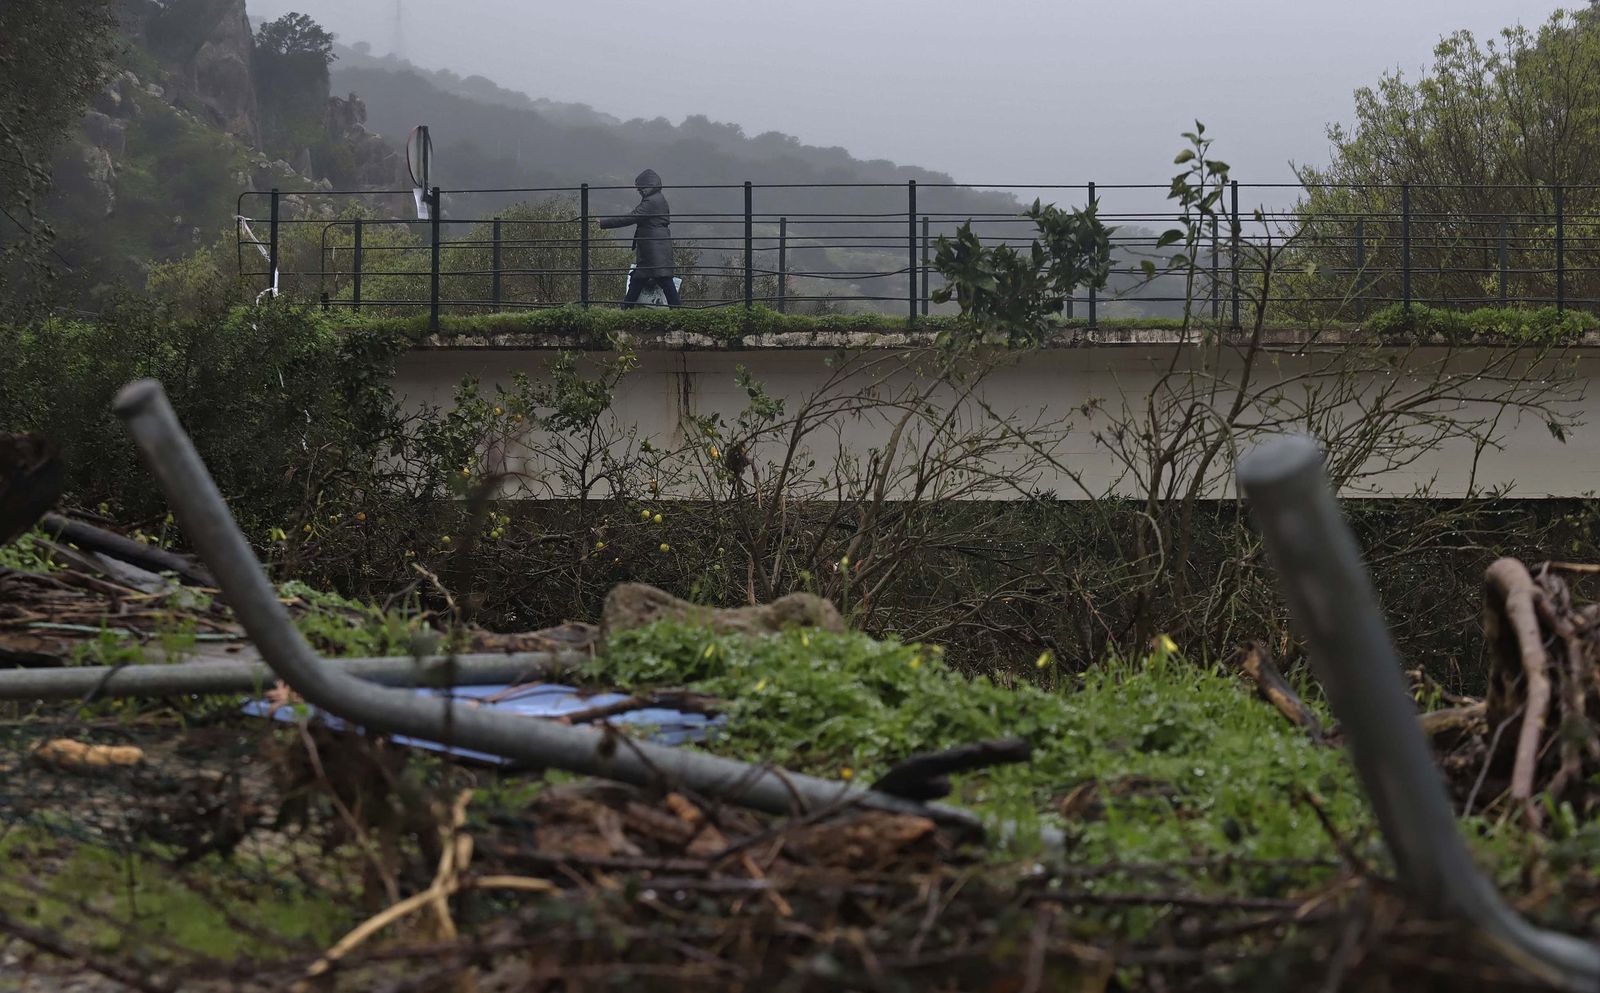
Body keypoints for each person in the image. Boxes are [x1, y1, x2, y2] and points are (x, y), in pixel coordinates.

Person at [598, 168, 680, 308]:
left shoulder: (651, 202)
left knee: (660, 279)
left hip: (653, 247)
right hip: (655, 246)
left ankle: (626, 308)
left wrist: (604, 223)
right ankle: (626, 308)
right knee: (643, 278)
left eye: (640, 187)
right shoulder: (657, 199)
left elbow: (631, 217)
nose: (639, 191)